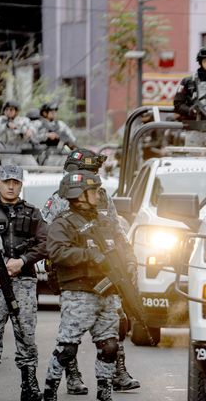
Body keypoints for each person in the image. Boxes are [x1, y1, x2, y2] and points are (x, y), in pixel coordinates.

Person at [41, 149, 138, 394]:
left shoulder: (102, 195)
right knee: (70, 338)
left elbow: (116, 228)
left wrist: (127, 260)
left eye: (94, 172)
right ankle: (71, 377)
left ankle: (117, 373)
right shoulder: (63, 198)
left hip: (106, 274)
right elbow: (47, 237)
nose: (92, 177)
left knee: (113, 331)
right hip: (75, 278)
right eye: (87, 171)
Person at [0, 165, 48, 401]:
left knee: (26, 335)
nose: (11, 186)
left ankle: (29, 386)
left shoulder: (32, 213)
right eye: (7, 182)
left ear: (21, 185)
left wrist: (22, 260)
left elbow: (46, 243)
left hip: (24, 282)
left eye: (16, 182)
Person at [0, 101, 39, 167]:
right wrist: (6, 126)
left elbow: (32, 130)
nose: (8, 112)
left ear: (16, 111)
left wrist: (26, 130)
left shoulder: (24, 120)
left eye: (11, 110)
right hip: (5, 154)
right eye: (6, 110)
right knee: (9, 173)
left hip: (22, 153)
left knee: (35, 169)